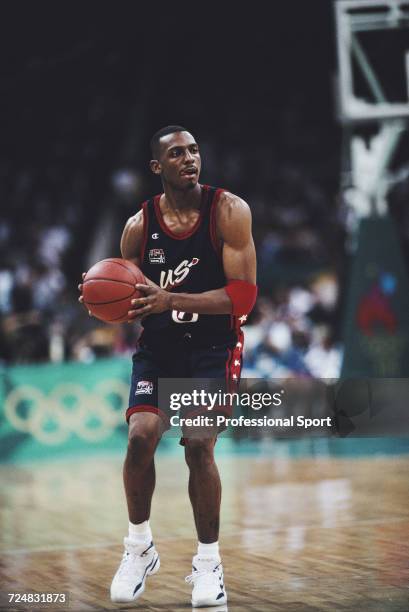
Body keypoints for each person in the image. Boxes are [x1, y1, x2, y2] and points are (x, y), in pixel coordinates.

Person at [80, 125, 257, 607]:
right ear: (158, 167)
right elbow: (129, 296)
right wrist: (103, 301)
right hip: (159, 350)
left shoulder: (229, 211)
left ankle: (208, 564)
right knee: (140, 438)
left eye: (195, 150)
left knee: (198, 444)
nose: (189, 159)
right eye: (177, 153)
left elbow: (244, 297)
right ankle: (139, 547)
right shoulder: (139, 227)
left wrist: (169, 298)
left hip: (212, 347)